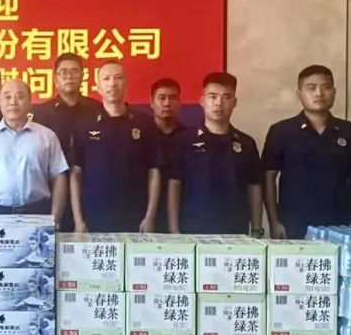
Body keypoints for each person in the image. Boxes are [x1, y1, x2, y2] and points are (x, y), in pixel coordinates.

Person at [262, 65, 351, 239]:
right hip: (293, 223)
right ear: (299, 94)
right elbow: (268, 177)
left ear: (334, 92)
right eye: (311, 88)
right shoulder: (281, 131)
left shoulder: (350, 131)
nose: (319, 93)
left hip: (339, 224)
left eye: (326, 87)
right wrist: (274, 221)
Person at [69, 62, 160, 233]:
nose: (112, 84)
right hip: (94, 217)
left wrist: (149, 217)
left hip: (135, 217)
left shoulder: (144, 123)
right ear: (98, 87)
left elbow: (153, 172)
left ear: (126, 84)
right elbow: (75, 174)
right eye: (106, 79)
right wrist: (78, 220)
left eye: (118, 78)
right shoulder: (84, 123)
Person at [167, 72, 263, 235]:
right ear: (202, 101)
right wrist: (174, 230)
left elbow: (253, 187)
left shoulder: (246, 143)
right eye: (213, 97)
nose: (219, 103)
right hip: (192, 230)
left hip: (235, 231)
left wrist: (256, 227)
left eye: (226, 97)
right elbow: (175, 185)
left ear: (234, 102)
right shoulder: (183, 140)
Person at [0, 79, 68, 219]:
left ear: (30, 103)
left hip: (37, 212)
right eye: (7, 97)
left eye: (20, 96)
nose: (13, 102)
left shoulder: (47, 136)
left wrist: (55, 218)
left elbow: (59, 177)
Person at [31, 53, 101, 230]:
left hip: (90, 189)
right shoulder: (42, 113)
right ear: (55, 78)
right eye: (63, 72)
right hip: (51, 190)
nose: (69, 76)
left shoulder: (97, 110)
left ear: (83, 76)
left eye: (74, 71)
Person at [150, 77, 184, 232]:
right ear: (152, 103)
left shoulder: (189, 138)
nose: (167, 103)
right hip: (145, 213)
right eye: (162, 98)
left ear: (180, 102)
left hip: (181, 214)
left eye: (172, 98)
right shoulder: (142, 134)